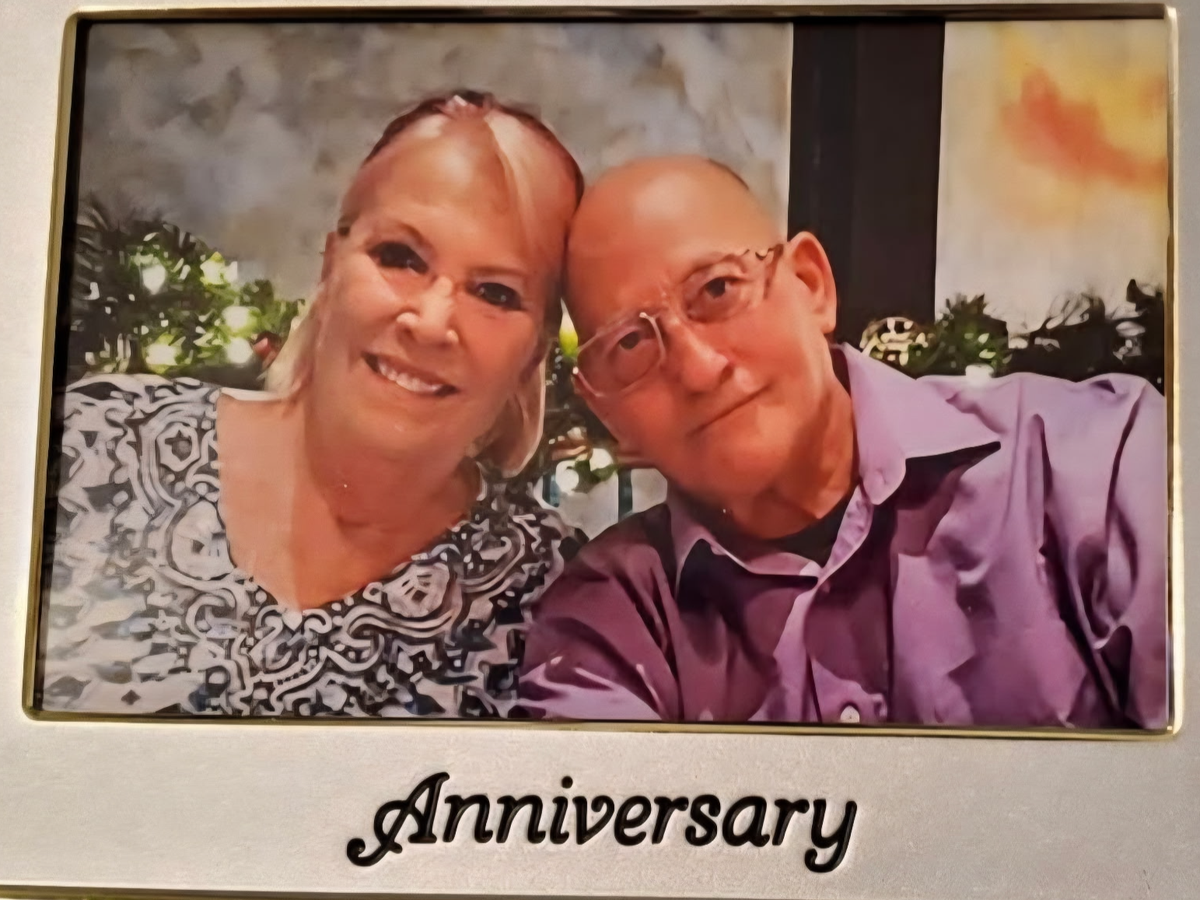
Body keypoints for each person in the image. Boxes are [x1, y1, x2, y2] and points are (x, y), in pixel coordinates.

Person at [517, 155, 1169, 729]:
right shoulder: (612, 626)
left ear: (810, 285)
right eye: (631, 343)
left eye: (717, 289)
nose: (698, 369)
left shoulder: (1097, 462)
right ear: (605, 408)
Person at [39, 91, 583, 718]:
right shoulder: (91, 439)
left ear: (536, 350)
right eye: (400, 257)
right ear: (330, 267)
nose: (432, 323)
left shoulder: (557, 593)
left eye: (495, 292)